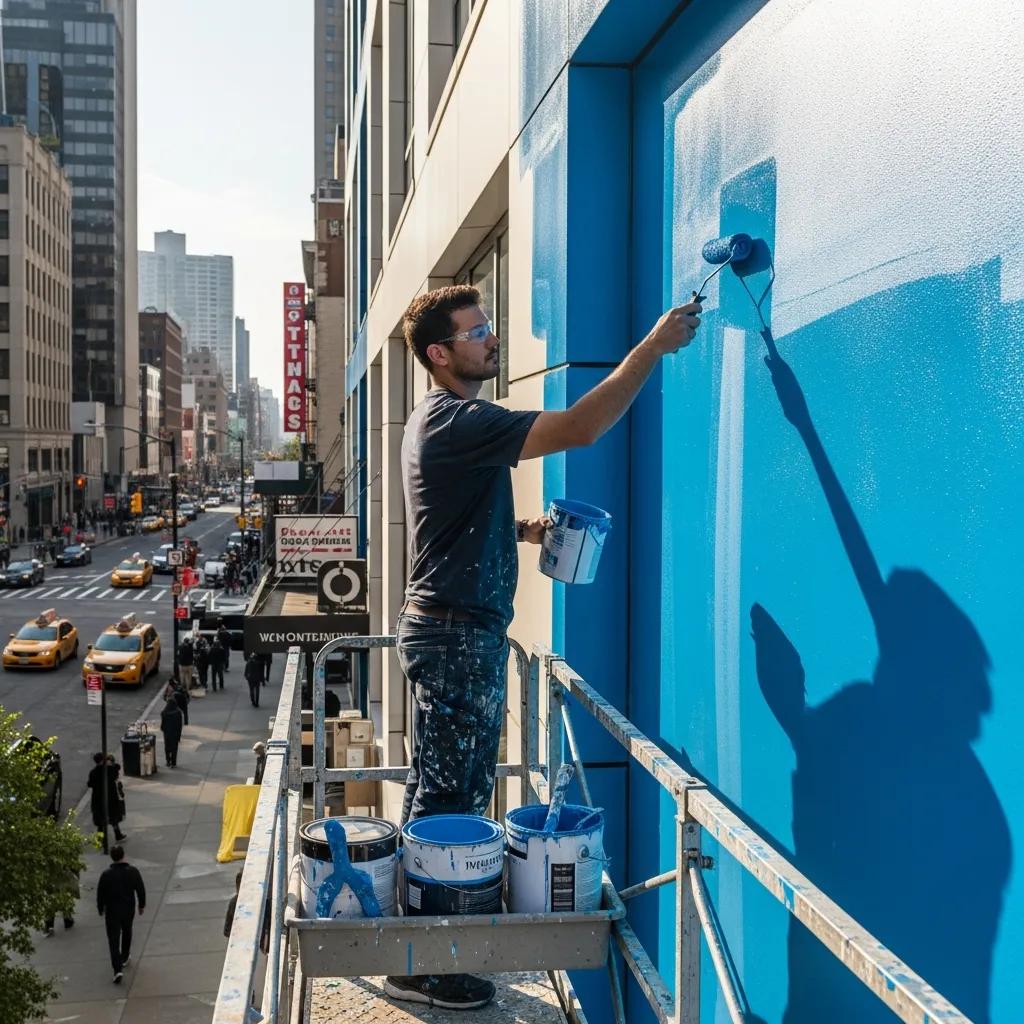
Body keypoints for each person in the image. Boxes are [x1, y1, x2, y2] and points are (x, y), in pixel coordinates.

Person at [384, 284, 701, 1010]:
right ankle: (423, 963)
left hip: (453, 629)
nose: (491, 338)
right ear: (440, 353)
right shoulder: (460, 419)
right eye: (477, 330)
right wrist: (652, 346)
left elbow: (452, 518)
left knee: (444, 789)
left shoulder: (437, 420)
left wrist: (520, 532)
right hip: (457, 635)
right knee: (447, 799)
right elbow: (582, 427)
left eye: (489, 326)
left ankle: (419, 946)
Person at [96, 845, 145, 984]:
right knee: (127, 930)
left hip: (112, 911)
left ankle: (117, 969)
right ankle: (125, 956)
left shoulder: (106, 875)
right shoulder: (133, 872)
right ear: (123, 855)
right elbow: (140, 889)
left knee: (113, 939)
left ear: (112, 856)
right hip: (128, 909)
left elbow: (100, 894)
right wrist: (141, 905)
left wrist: (101, 908)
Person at [88, 752, 126, 843]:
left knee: (100, 820)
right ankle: (118, 834)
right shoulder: (109, 769)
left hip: (98, 799)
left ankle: (100, 838)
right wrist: (111, 764)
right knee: (113, 818)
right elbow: (117, 770)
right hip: (111, 797)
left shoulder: (93, 772)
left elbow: (90, 784)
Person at [44, 865, 81, 936]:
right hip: (64, 878)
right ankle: (67, 921)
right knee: (65, 899)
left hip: (53, 878)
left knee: (53, 901)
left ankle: (49, 925)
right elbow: (75, 867)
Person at [160, 697, 184, 767]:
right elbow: (180, 725)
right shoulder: (178, 713)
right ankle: (173, 762)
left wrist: (163, 729)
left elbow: (163, 724)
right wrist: (179, 735)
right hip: (175, 733)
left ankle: (168, 761)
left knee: (167, 747)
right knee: (174, 748)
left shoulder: (164, 712)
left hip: (167, 733)